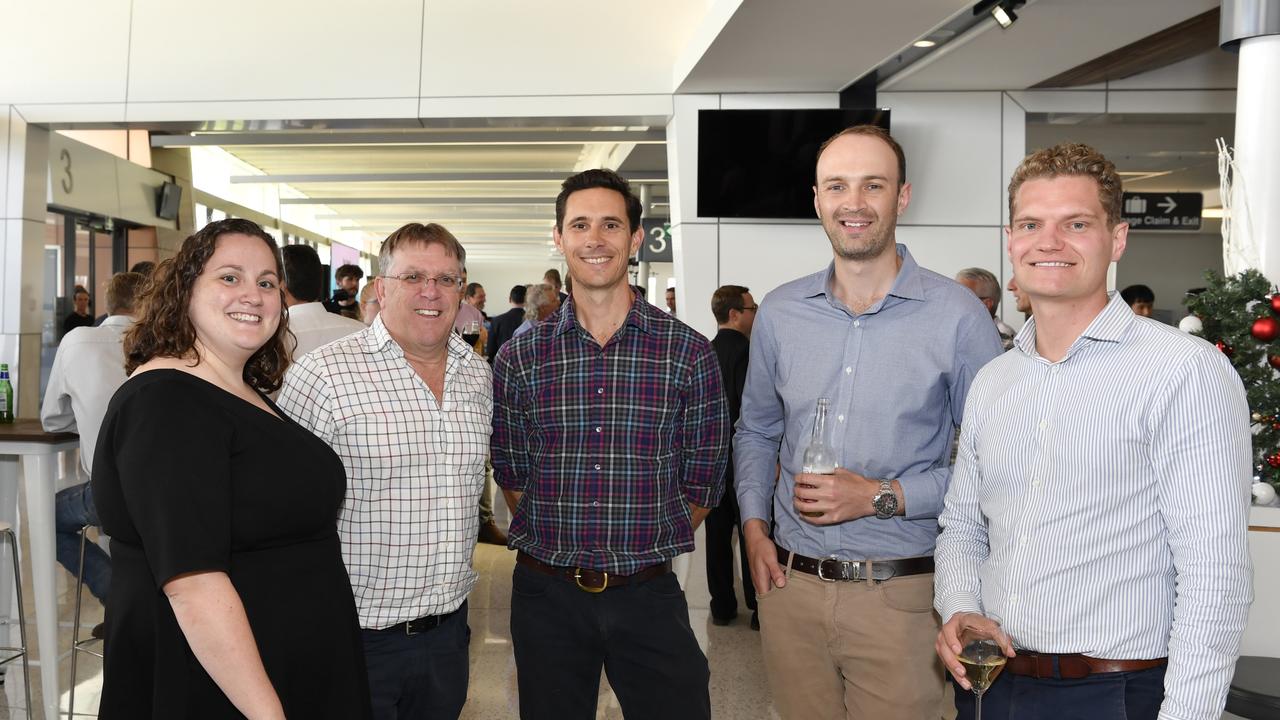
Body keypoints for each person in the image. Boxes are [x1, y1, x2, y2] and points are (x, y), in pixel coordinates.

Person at [934, 143, 1252, 720]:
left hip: (1115, 694)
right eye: (1032, 224)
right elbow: (961, 526)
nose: (1049, 242)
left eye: (1076, 224)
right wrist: (960, 605)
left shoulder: (1183, 371)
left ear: (1117, 238)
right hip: (992, 685)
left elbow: (1215, 574)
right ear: (1012, 239)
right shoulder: (995, 380)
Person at [734, 125, 1002, 719]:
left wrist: (881, 497)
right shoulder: (780, 312)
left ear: (901, 197)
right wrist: (754, 528)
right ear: (817, 199)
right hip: (792, 591)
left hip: (904, 598)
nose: (853, 203)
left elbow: (994, 461)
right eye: (837, 186)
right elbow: (756, 430)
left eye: (872, 185)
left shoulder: (957, 317)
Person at [91, 218, 371, 719]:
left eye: (267, 282)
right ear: (185, 291)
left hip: (286, 667)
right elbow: (193, 584)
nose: (254, 294)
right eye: (229, 277)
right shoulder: (165, 402)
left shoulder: (241, 393)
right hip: (222, 688)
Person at [492, 169, 729, 720]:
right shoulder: (520, 359)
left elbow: (703, 481)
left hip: (648, 594)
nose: (594, 239)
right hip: (545, 595)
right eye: (579, 225)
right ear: (559, 237)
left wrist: (635, 543)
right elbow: (513, 475)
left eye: (610, 224)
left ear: (635, 237)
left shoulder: (688, 354)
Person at [279, 222, 490, 720]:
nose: (430, 292)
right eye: (413, 276)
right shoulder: (324, 374)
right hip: (355, 639)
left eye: (446, 279)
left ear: (461, 289)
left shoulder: (477, 375)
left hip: (448, 639)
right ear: (380, 287)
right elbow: (281, 511)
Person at [42, 271, 147, 619]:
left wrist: (87, 415)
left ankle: (116, 593)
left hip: (109, 497)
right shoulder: (164, 343)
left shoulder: (77, 342)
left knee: (47, 519)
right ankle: (135, 599)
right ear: (145, 303)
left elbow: (52, 420)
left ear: (108, 304)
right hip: (169, 494)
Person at [706, 284, 759, 629]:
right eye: (753, 308)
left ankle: (722, 606)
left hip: (711, 462)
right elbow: (751, 412)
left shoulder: (705, 351)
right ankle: (757, 607)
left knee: (716, 538)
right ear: (736, 314)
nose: (756, 315)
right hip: (743, 460)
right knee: (753, 532)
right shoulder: (748, 353)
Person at [281, 244, 366, 360]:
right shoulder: (361, 331)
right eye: (350, 279)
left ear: (281, 284)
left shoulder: (276, 337)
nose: (354, 284)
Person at [956, 267, 1016, 350]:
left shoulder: (1003, 343)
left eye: (963, 297)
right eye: (955, 296)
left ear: (986, 304)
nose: (954, 303)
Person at [484, 283, 527, 362]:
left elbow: (490, 351)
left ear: (510, 299)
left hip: (501, 365)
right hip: (525, 365)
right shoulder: (531, 322)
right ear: (526, 300)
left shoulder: (497, 321)